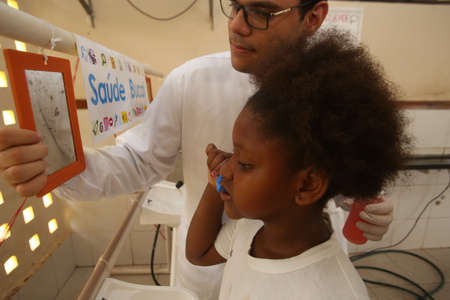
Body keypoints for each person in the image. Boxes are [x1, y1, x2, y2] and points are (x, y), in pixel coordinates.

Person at [0, 1, 394, 299]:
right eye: (236, 6)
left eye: (260, 11)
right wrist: (61, 167)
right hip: (212, 274)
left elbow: (334, 177)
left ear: (313, 17)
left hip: (301, 273)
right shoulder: (193, 80)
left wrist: (363, 201)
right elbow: (138, 161)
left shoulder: (340, 97)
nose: (237, 25)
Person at [186, 30, 409, 300]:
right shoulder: (250, 231)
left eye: (244, 163)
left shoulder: (335, 292)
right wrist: (216, 184)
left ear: (307, 184)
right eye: (234, 154)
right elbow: (197, 254)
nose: (227, 168)